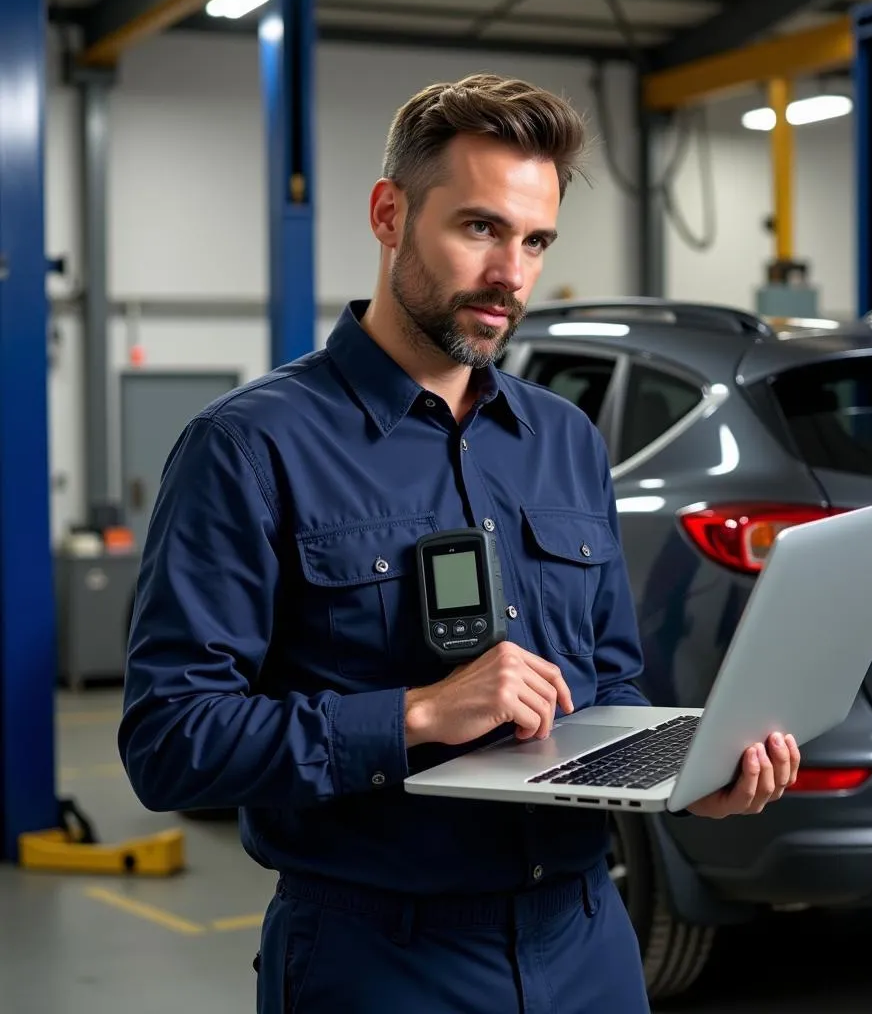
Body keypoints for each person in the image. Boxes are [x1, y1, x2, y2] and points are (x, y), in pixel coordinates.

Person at [119, 73, 801, 1014]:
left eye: (535, 241)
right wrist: (415, 716)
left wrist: (687, 778)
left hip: (588, 943)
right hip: (379, 960)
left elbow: (605, 687)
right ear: (389, 213)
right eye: (480, 228)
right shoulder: (250, 446)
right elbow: (170, 741)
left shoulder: (564, 440)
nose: (511, 276)